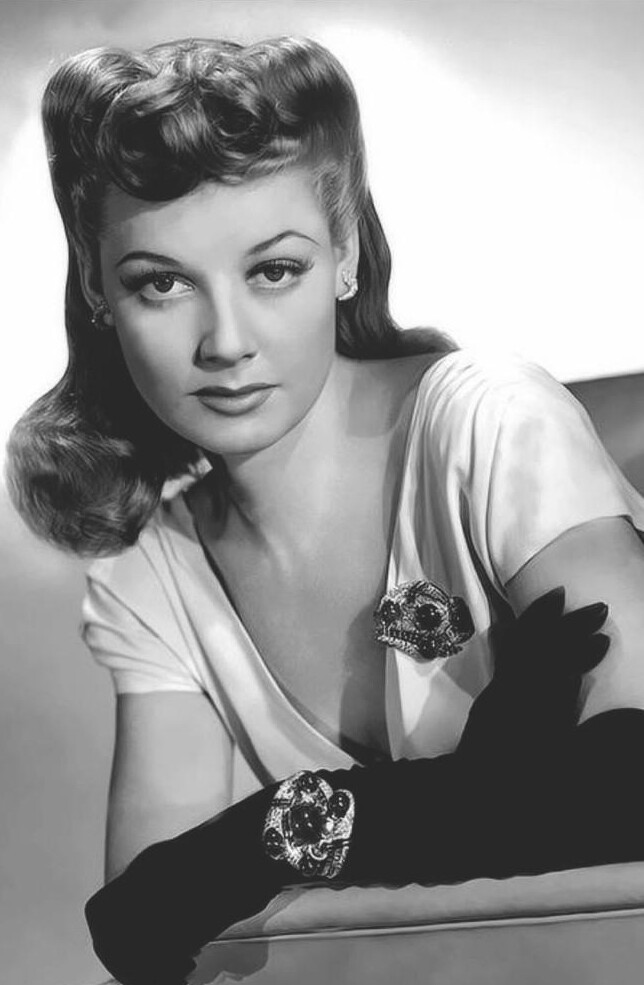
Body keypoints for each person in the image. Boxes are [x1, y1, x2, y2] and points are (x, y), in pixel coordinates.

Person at [5, 35, 644, 985]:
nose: (225, 342)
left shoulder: (491, 420)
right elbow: (146, 924)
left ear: (344, 255)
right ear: (98, 289)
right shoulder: (153, 575)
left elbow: (630, 785)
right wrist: (491, 793)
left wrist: (271, 830)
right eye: (161, 282)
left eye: (274, 270)